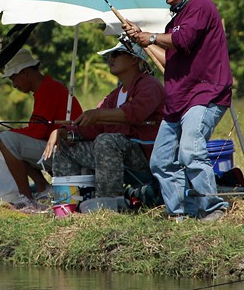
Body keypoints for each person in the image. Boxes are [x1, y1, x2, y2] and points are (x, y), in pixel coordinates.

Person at [123, 0, 233, 221]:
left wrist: (150, 37)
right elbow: (168, 59)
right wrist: (141, 38)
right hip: (179, 100)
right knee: (160, 161)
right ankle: (181, 213)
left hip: (204, 95)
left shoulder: (200, 6)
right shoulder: (177, 18)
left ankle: (213, 208)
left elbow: (182, 41)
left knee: (191, 151)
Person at [42, 38, 164, 211]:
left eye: (117, 54)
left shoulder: (150, 85)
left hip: (145, 155)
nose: (111, 59)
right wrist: (66, 132)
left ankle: (110, 203)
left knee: (106, 140)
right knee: (65, 145)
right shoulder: (114, 95)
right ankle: (68, 202)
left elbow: (136, 113)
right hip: (117, 150)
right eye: (110, 55)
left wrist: (98, 114)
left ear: (134, 59)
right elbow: (95, 126)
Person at [0, 48, 81, 203]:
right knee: (10, 141)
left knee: (7, 140)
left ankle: (26, 199)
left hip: (69, 152)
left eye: (14, 78)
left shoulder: (49, 89)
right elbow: (38, 130)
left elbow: (36, 132)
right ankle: (42, 187)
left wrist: (2, 135)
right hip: (63, 148)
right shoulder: (47, 88)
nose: (14, 85)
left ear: (25, 72)